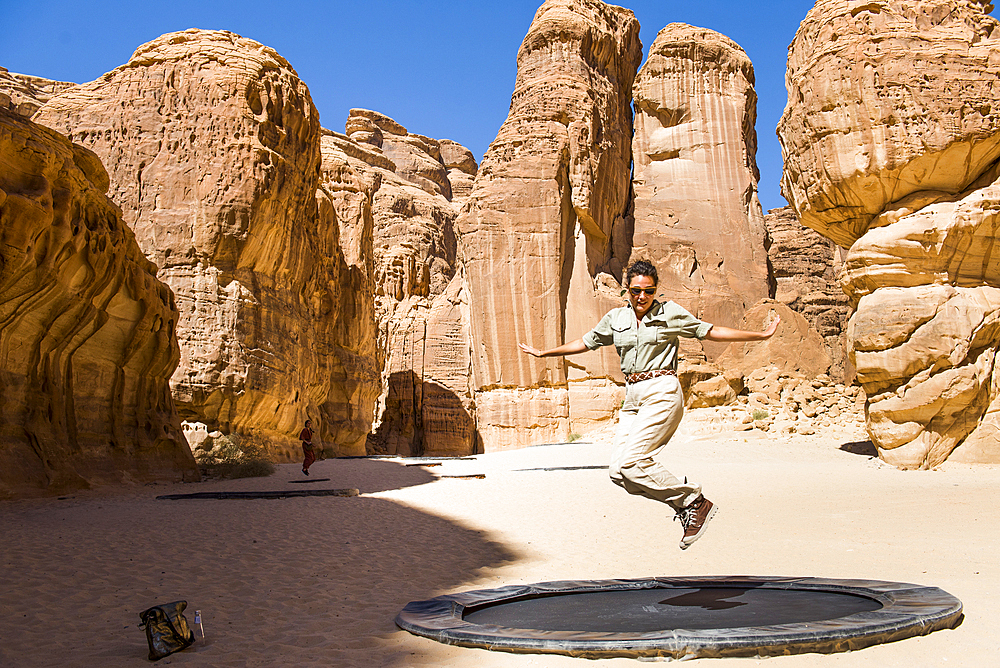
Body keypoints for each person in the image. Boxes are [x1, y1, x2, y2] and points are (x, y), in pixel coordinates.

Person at [519, 259, 779, 549]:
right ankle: (686, 506)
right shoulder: (616, 319)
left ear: (656, 290)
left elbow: (711, 331)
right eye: (635, 291)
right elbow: (586, 342)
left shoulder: (670, 313)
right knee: (619, 472)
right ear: (626, 290)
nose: (641, 297)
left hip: (661, 390)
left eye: (648, 291)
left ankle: (694, 502)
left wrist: (759, 335)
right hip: (632, 397)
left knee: (634, 463)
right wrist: (545, 353)